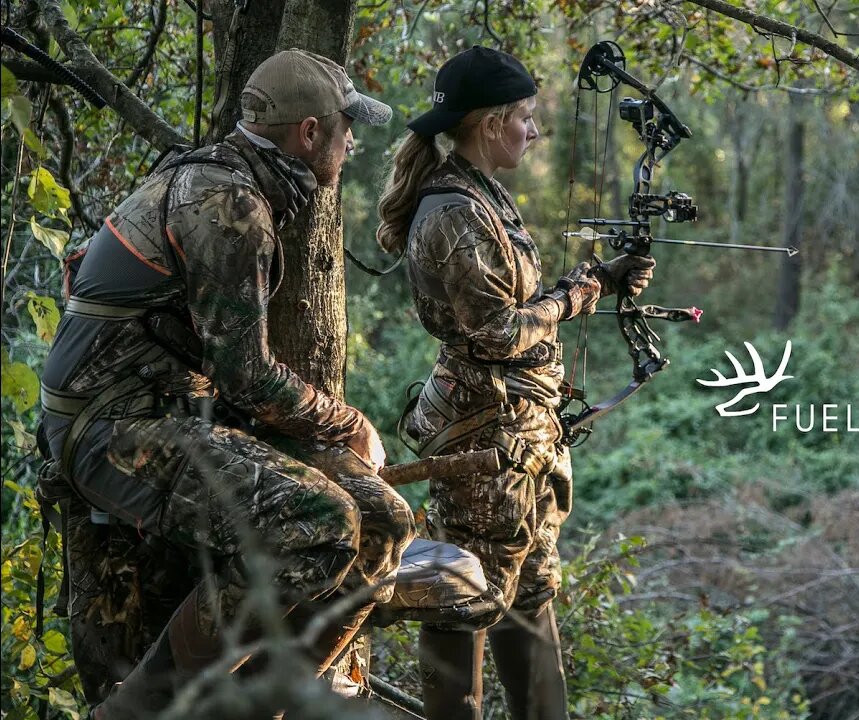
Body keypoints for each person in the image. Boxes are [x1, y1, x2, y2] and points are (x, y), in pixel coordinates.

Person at [38, 49, 415, 717]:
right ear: (308, 133)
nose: (352, 140)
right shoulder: (230, 205)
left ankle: (263, 700)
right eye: (345, 125)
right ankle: (145, 709)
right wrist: (345, 422)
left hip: (163, 415)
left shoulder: (231, 184)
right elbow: (246, 375)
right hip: (110, 429)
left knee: (384, 521)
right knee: (325, 523)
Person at [375, 46, 654, 719]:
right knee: (464, 595)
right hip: (487, 440)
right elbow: (494, 332)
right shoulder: (453, 212)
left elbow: (511, 308)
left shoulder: (483, 198)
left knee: (529, 594)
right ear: (492, 121)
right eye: (527, 118)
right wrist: (572, 301)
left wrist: (603, 280)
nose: (533, 131)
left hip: (520, 435)